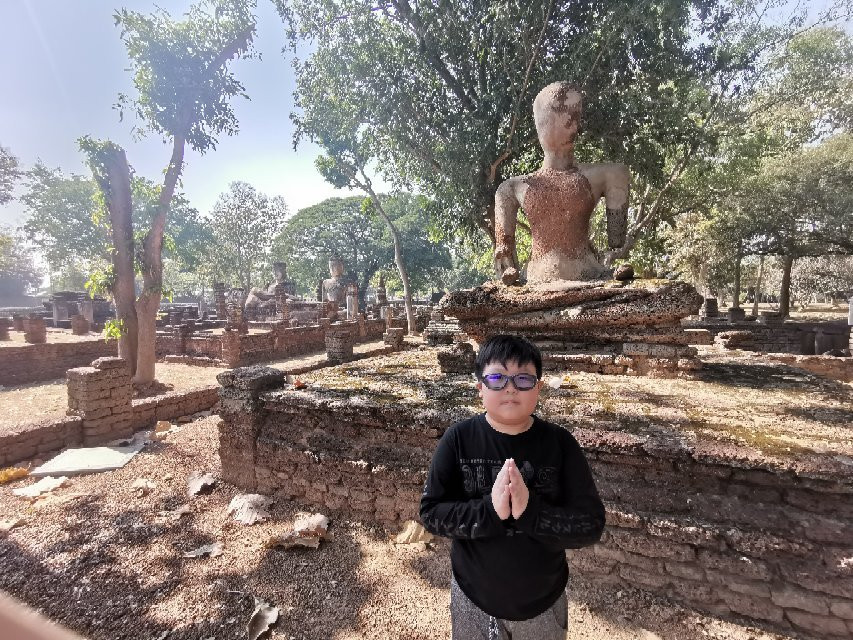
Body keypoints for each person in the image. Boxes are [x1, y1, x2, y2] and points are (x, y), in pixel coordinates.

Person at [420, 334, 605, 640]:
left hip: (541, 602)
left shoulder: (560, 444)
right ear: (480, 387)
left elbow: (590, 524)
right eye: (496, 378)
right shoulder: (458, 439)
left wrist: (530, 512)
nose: (509, 387)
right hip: (472, 597)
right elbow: (431, 512)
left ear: (538, 388)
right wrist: (489, 511)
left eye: (523, 379)